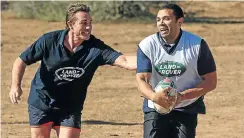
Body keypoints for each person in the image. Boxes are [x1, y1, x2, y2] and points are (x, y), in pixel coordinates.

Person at [9, 3, 136, 138]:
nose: (89, 27)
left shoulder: (96, 48)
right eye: (84, 23)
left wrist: (155, 60)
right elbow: (21, 61)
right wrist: (15, 86)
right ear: (70, 24)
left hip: (70, 107)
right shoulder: (49, 41)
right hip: (42, 102)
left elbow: (126, 61)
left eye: (90, 23)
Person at [136, 3, 217, 138]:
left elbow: (211, 81)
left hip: (186, 107)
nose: (161, 23)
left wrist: (182, 96)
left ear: (180, 22)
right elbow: (141, 79)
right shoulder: (147, 45)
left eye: (166, 19)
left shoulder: (197, 45)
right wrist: (155, 97)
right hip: (155, 106)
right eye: (158, 19)